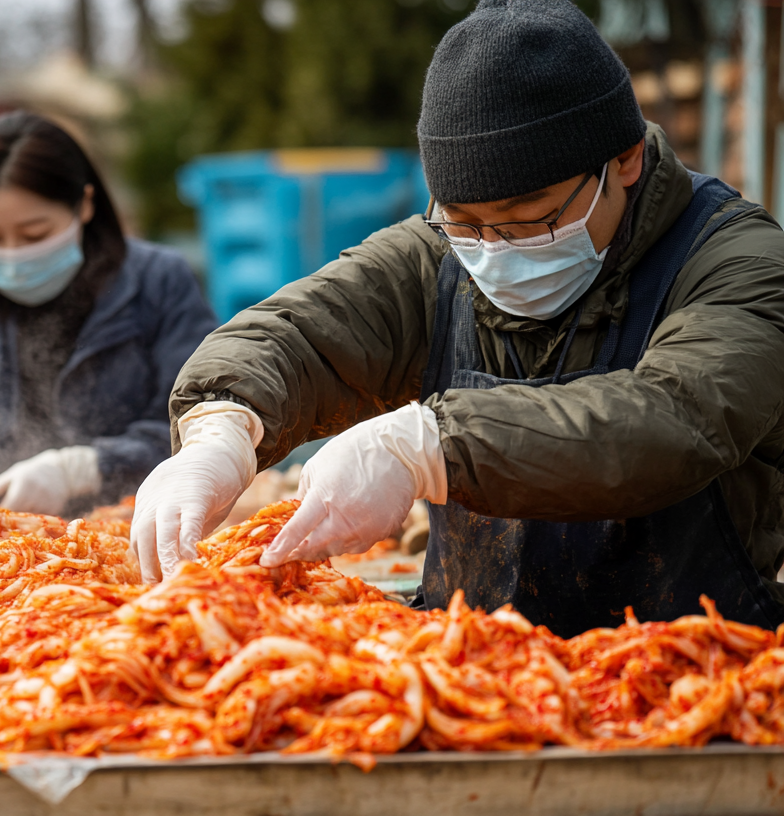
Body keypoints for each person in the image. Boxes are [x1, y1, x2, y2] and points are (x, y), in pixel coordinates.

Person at [132, 0, 784, 637]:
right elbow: (294, 334)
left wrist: (432, 448)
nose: (494, 249)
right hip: (467, 672)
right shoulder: (439, 257)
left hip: (698, 671)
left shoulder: (739, 262)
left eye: (534, 217)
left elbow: (678, 417)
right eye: (466, 224)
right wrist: (223, 424)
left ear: (625, 160)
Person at [0, 111, 217, 517]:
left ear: (85, 205)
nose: (12, 257)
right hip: (1, 542)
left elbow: (201, 420)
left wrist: (84, 469)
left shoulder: (159, 281)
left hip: (136, 525)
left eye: (35, 234)